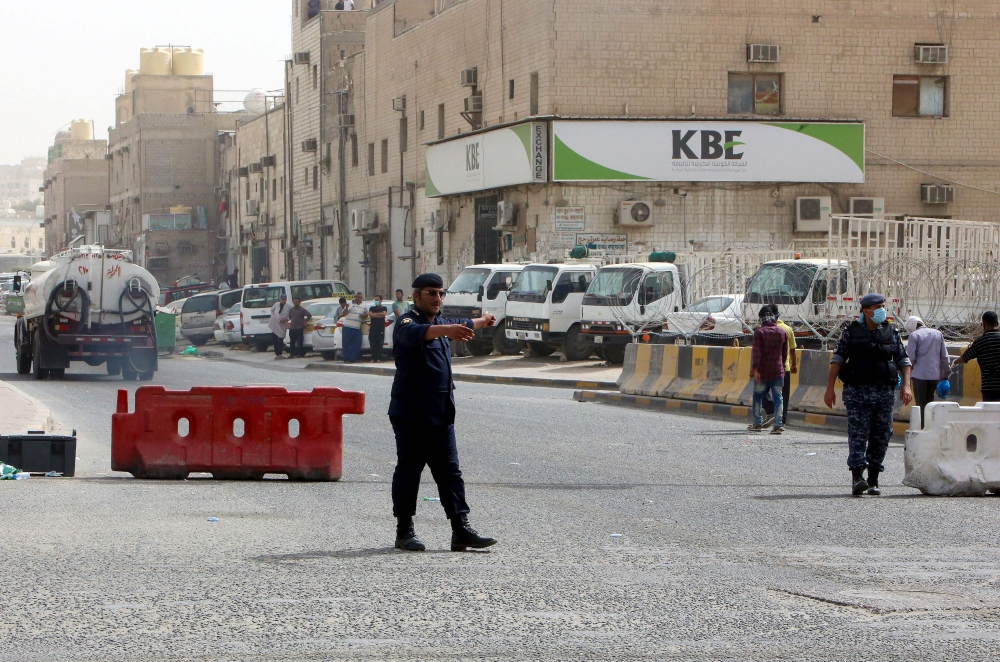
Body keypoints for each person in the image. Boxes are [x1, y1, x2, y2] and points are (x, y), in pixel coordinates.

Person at [389, 273, 498, 552]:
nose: (437, 298)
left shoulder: (441, 323)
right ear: (417, 296)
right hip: (412, 412)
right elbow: (418, 334)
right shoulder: (406, 321)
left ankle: (460, 530)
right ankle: (405, 531)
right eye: (431, 293)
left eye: (440, 293)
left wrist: (483, 321)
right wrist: (447, 331)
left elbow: (461, 324)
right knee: (410, 470)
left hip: (440, 411)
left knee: (450, 472)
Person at [825, 294, 912, 496]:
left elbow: (903, 360)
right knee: (858, 435)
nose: (882, 310)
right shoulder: (851, 333)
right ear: (866, 311)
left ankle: (873, 477)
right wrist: (829, 388)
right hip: (857, 393)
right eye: (878, 307)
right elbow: (837, 360)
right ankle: (857, 477)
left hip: (883, 394)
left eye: (883, 306)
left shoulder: (891, 332)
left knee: (882, 435)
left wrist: (906, 385)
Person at [749, 306, 788, 435]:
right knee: (778, 398)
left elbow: (757, 353)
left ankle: (758, 423)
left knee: (758, 397)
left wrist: (755, 369)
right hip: (778, 370)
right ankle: (778, 426)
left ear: (761, 318)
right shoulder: (782, 332)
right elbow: (784, 353)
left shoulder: (759, 332)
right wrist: (781, 366)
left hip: (763, 371)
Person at [905, 315, 950, 418]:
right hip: (934, 375)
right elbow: (944, 356)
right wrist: (945, 374)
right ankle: (929, 426)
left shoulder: (914, 336)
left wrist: (907, 372)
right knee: (930, 404)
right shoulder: (938, 334)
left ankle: (922, 428)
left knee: (921, 405)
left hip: (919, 376)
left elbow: (910, 358)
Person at [954, 310, 1000, 402]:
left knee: (990, 414)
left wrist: (954, 362)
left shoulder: (980, 342)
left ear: (983, 324)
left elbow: (965, 357)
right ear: (997, 323)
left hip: (989, 388)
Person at [341, 292, 368, 363]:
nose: (357, 298)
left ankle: (353, 359)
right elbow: (344, 314)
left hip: (357, 328)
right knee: (346, 344)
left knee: (356, 345)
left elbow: (366, 313)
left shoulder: (364, 305)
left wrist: (364, 315)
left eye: (359, 297)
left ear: (361, 298)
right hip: (348, 327)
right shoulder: (350, 304)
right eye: (356, 297)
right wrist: (346, 308)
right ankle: (346, 359)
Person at [269, 294, 291, 358]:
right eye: (282, 299)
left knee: (280, 339)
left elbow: (291, 314)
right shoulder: (276, 304)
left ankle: (280, 354)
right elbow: (272, 310)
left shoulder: (289, 306)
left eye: (284, 299)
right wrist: (274, 316)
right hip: (276, 323)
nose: (283, 300)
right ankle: (277, 354)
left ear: (286, 300)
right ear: (280, 299)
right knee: (275, 339)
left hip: (283, 324)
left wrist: (286, 319)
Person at [368, 295, 388, 362]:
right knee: (373, 343)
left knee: (379, 343)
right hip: (373, 328)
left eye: (377, 300)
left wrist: (375, 314)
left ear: (381, 300)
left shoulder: (384, 308)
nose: (376, 301)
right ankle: (373, 358)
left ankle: (379, 358)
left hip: (380, 328)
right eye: (375, 300)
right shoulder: (372, 308)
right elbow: (371, 315)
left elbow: (383, 314)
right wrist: (379, 315)